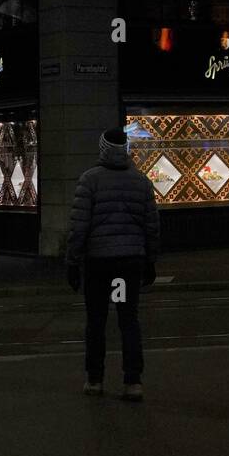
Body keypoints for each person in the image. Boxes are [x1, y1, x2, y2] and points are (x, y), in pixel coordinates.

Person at [66, 127, 160, 401]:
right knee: (128, 320)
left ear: (102, 148)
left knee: (96, 321)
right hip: (129, 263)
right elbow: (151, 226)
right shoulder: (141, 182)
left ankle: (94, 380)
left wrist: (72, 262)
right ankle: (133, 382)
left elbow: (79, 227)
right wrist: (150, 260)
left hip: (98, 264)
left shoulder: (89, 180)